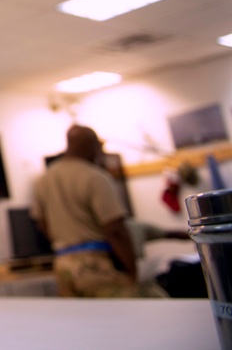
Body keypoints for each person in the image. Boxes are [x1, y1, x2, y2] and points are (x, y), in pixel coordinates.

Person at [31, 125, 165, 298]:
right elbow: (115, 229)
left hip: (63, 266)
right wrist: (132, 272)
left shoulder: (43, 179)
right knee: (131, 314)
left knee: (81, 322)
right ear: (90, 145)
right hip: (95, 266)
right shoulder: (94, 177)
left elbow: (41, 223)